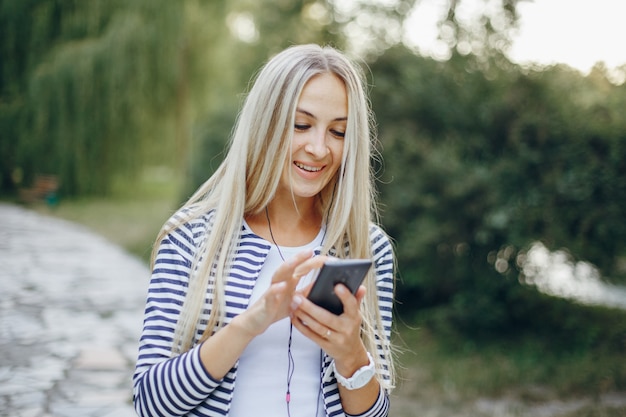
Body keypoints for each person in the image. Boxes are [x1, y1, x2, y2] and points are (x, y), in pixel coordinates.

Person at [133, 44, 395, 417]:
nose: (319, 148)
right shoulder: (190, 236)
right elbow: (151, 403)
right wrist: (251, 322)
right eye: (301, 125)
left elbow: (374, 413)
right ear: (265, 123)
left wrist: (350, 353)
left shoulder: (367, 248)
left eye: (338, 132)